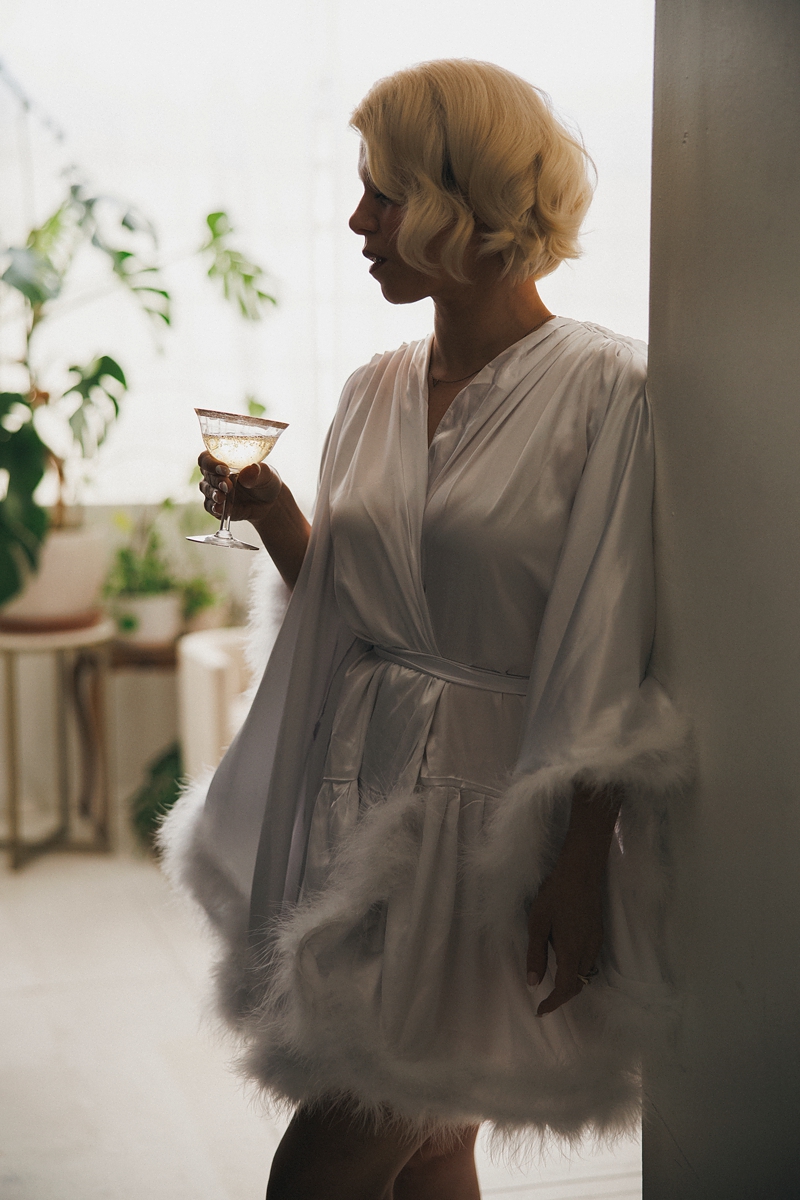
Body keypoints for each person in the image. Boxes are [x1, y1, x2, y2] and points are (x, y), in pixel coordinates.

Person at [161, 59, 688, 1200]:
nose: (357, 220)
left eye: (383, 193)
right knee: (432, 1144)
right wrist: (278, 513)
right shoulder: (372, 387)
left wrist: (576, 859)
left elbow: (611, 641)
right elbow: (351, 614)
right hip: (360, 797)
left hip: (486, 822)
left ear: (470, 201)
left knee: (335, 1155)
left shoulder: (608, 392)